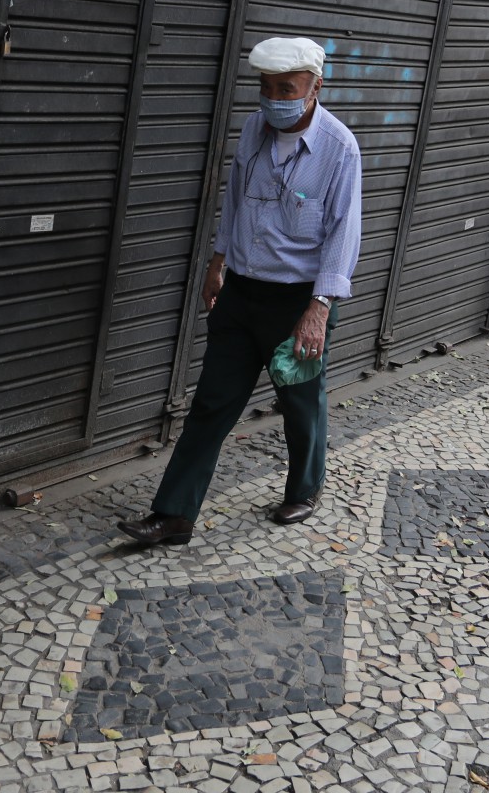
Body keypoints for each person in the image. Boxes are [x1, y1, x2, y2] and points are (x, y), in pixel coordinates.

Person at [118, 36, 363, 547]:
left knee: (300, 404)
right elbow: (235, 199)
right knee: (211, 403)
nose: (274, 98)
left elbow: (344, 233)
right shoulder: (254, 128)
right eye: (266, 87)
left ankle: (305, 488)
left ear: (316, 87)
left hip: (299, 301)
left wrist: (319, 310)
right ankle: (174, 516)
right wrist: (217, 260)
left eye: (286, 88)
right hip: (242, 291)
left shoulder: (339, 149)